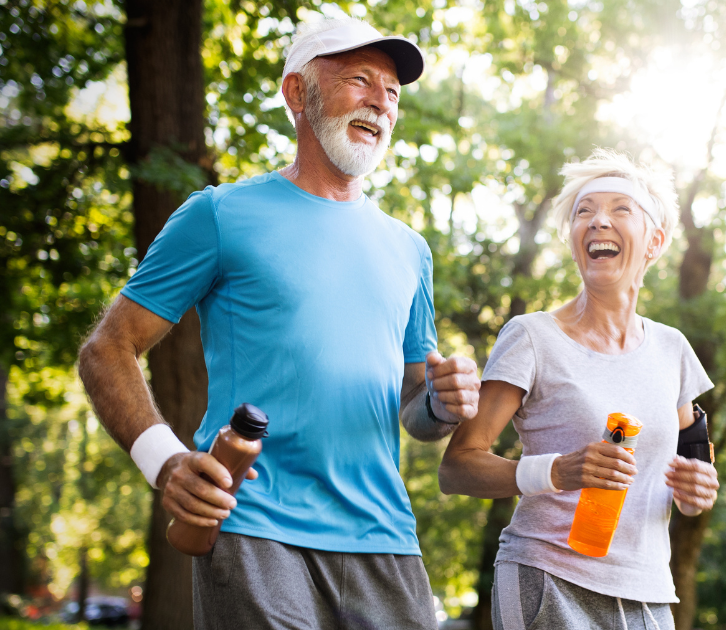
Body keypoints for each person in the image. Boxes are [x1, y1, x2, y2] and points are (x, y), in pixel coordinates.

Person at [78, 17, 480, 630]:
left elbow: (413, 407)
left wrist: (445, 405)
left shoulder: (410, 250)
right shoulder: (221, 213)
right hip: (256, 529)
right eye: (359, 80)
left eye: (392, 92)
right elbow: (107, 348)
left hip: (385, 538)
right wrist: (165, 461)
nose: (380, 101)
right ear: (298, 94)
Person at [438, 149, 720, 630]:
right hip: (549, 578)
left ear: (654, 241)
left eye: (620, 209)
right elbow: (457, 467)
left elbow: (694, 454)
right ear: (573, 241)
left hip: (648, 592)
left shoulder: (673, 350)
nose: (598, 222)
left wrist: (698, 490)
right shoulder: (532, 337)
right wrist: (559, 470)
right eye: (584, 212)